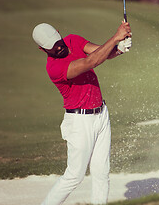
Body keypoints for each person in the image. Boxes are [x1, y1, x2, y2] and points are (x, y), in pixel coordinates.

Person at [32, 21, 132, 205]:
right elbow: (91, 61)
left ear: (59, 33)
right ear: (42, 49)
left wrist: (118, 48)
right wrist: (116, 37)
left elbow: (101, 53)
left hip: (101, 114)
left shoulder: (73, 40)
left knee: (102, 173)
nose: (59, 47)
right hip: (79, 122)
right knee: (74, 177)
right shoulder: (54, 68)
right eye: (52, 48)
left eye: (58, 41)